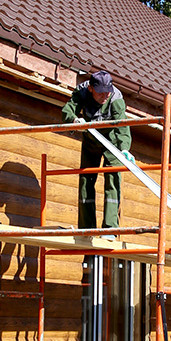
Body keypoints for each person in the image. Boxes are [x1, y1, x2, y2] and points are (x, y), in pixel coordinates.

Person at [61, 70, 132, 229]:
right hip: (90, 141)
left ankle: (110, 227)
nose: (105, 96)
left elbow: (122, 125)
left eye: (107, 92)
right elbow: (67, 110)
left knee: (113, 180)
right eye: (101, 93)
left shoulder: (115, 98)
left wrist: (125, 149)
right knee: (86, 181)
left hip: (111, 142)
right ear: (91, 89)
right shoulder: (82, 92)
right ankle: (87, 227)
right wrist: (73, 120)